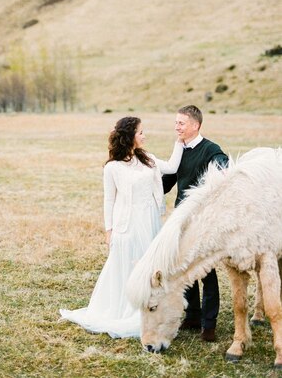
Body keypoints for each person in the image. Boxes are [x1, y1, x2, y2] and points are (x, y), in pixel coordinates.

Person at [59, 115, 184, 338]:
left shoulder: (147, 159)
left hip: (150, 220)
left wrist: (180, 141)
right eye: (141, 132)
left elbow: (173, 166)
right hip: (128, 225)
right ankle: (125, 310)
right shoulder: (112, 168)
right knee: (127, 265)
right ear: (130, 137)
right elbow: (109, 200)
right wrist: (109, 231)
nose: (145, 136)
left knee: (148, 266)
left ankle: (147, 308)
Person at [162, 105, 229, 343]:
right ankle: (191, 315)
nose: (176, 127)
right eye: (176, 122)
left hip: (203, 220)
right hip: (181, 218)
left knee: (206, 271)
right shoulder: (179, 150)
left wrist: (219, 169)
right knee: (185, 266)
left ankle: (208, 324)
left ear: (195, 125)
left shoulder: (211, 150)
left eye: (181, 123)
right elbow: (167, 181)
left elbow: (223, 167)